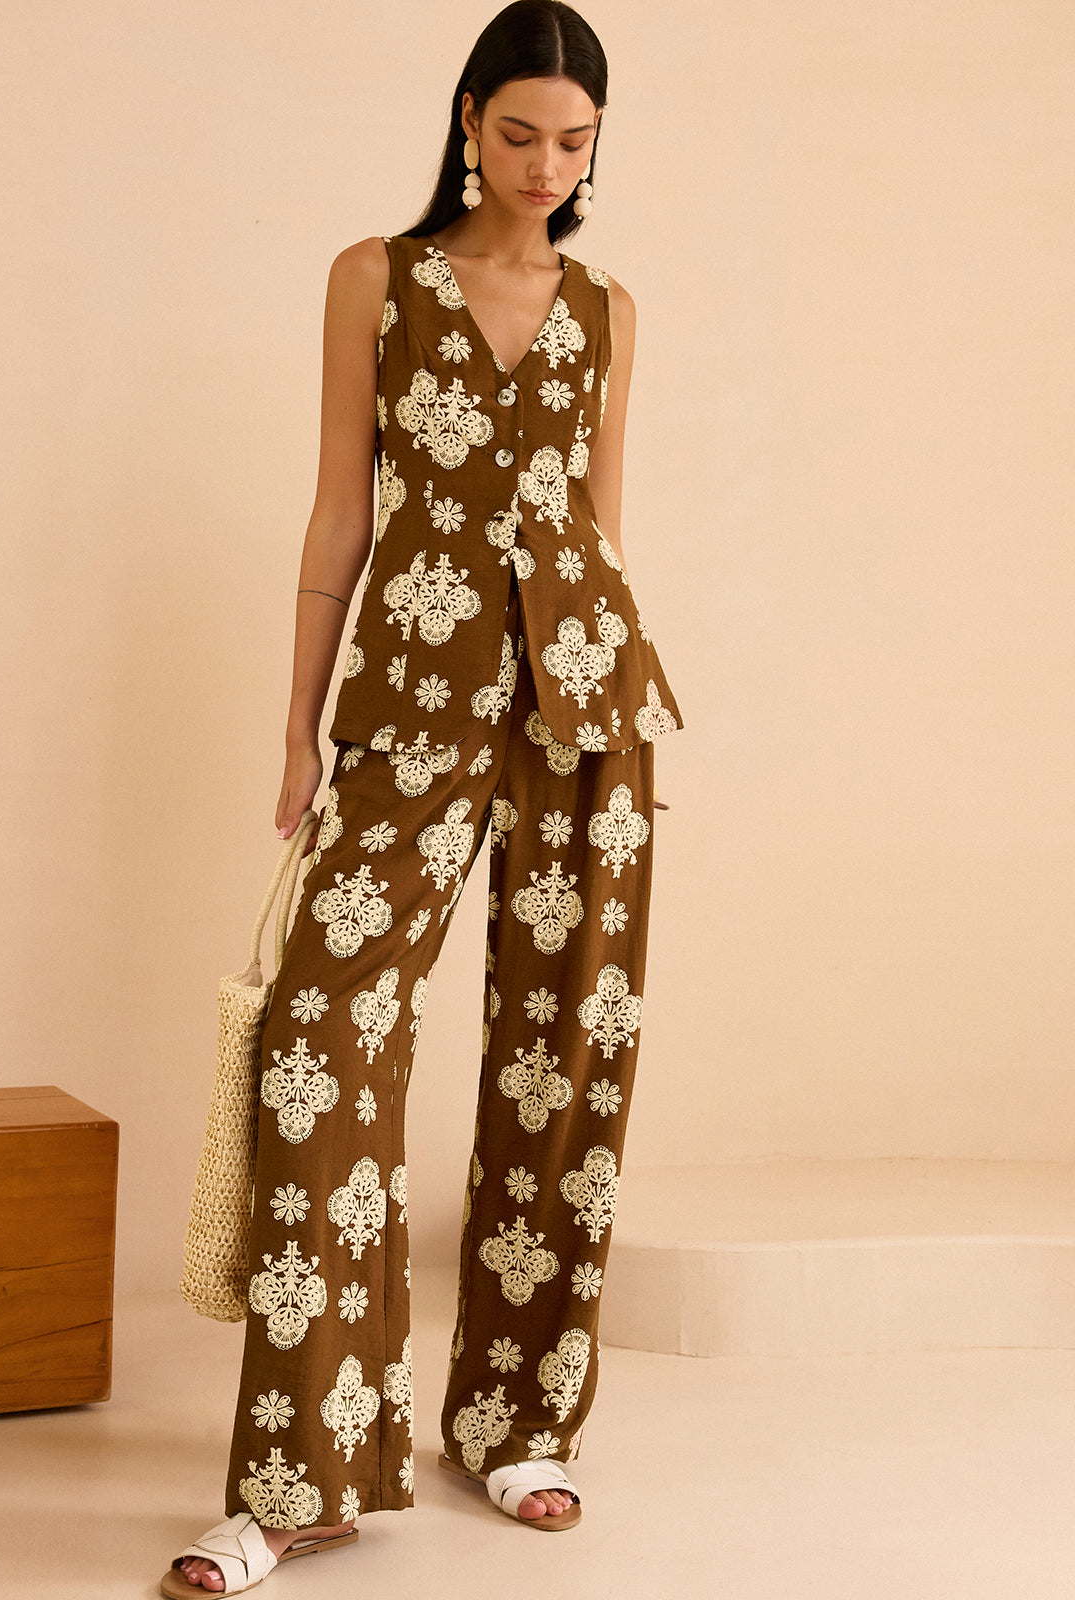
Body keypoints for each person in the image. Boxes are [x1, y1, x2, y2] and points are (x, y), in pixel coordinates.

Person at [163, 1, 683, 1592]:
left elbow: (601, 524)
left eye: (574, 141)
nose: (544, 165)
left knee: (565, 1052)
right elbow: (342, 508)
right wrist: (299, 725)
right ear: (467, 121)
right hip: (409, 694)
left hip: (585, 706)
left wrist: (606, 692)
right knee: (320, 1041)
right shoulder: (375, 280)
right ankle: (301, 1478)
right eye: (518, 132)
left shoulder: (610, 310)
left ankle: (517, 1424)